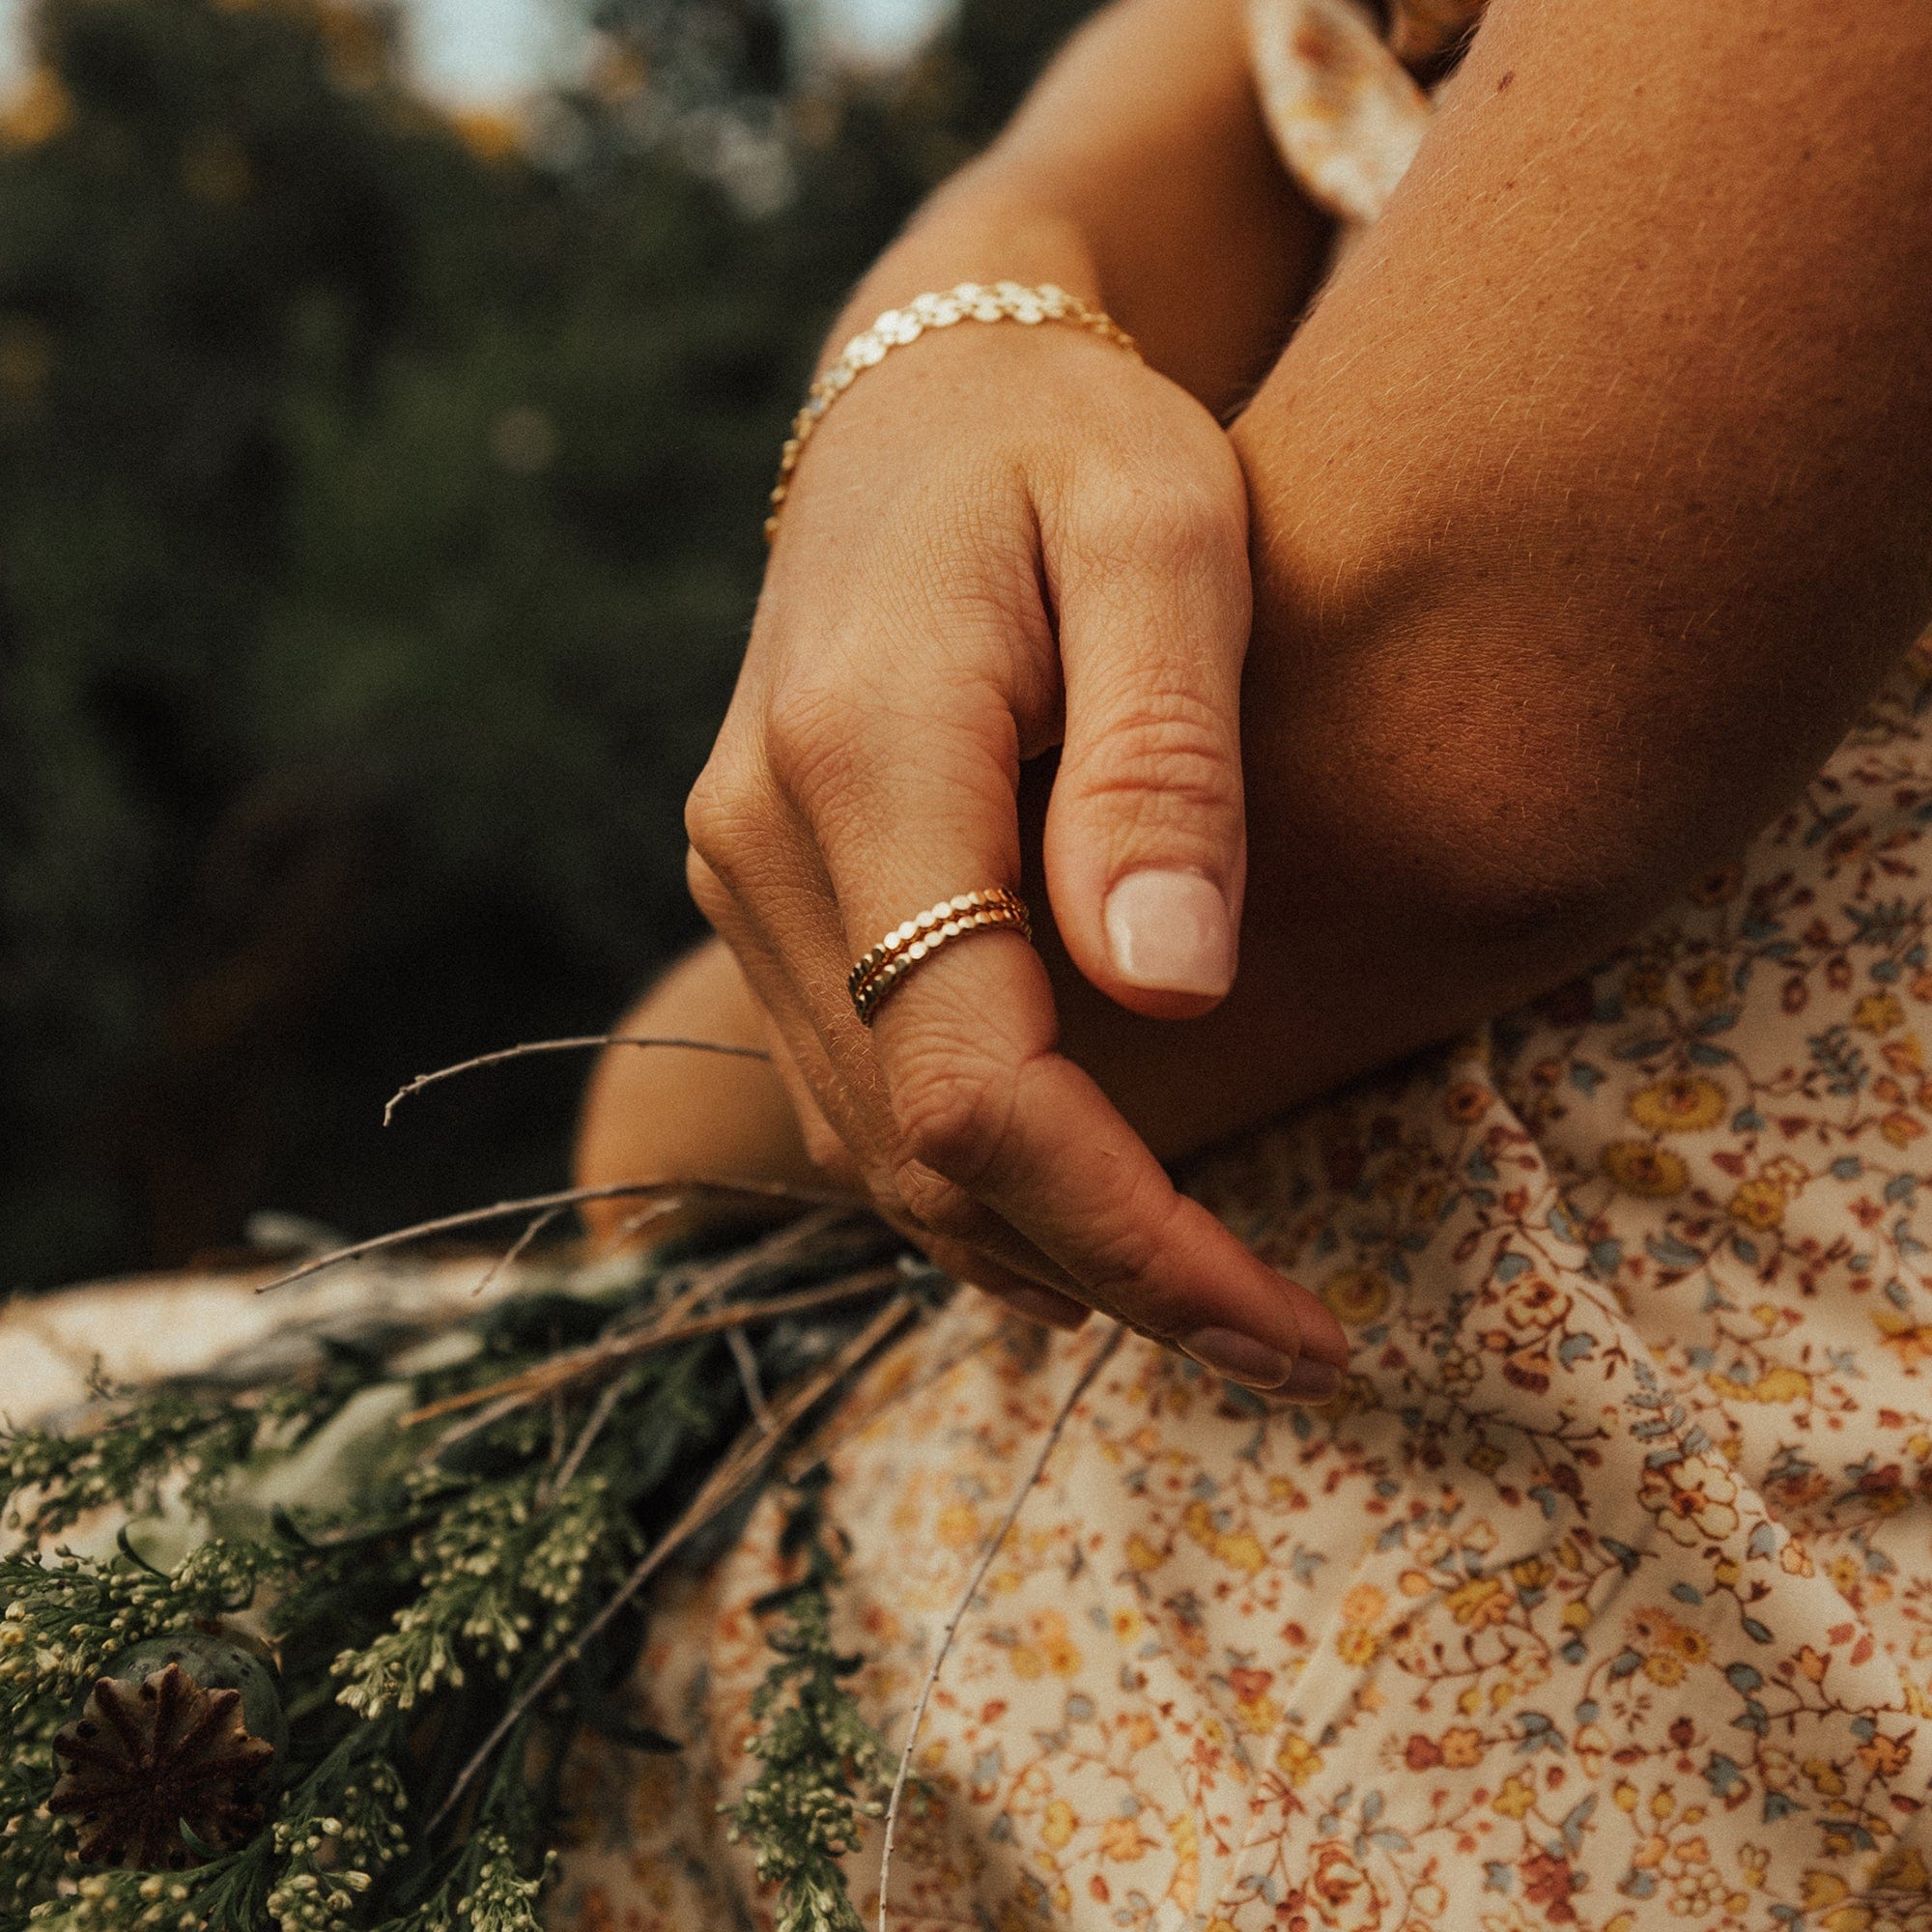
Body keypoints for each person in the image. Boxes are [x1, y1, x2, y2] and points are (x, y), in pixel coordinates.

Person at [560, 1, 1932, 1923]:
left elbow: (1451, 751)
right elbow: (1185, 89)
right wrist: (956, 319)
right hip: (1059, 1627)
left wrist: (678, 1076)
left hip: (1617, 1658)